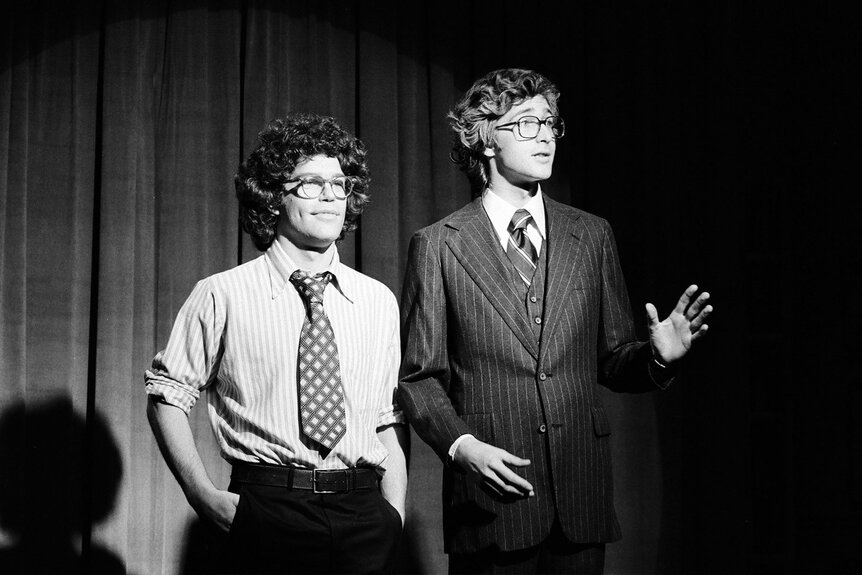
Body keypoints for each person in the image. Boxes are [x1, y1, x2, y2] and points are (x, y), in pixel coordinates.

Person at [397, 68, 713, 574]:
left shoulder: (591, 235)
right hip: (490, 500)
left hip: (580, 498)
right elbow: (420, 379)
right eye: (525, 123)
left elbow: (611, 362)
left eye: (549, 122)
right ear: (485, 139)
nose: (544, 134)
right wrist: (462, 447)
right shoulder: (438, 245)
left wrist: (656, 358)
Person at [145, 112, 407, 575]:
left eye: (339, 183)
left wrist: (394, 516)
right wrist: (203, 497)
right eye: (309, 183)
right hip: (268, 509)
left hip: (366, 516)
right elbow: (167, 398)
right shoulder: (222, 293)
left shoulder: (377, 300)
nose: (329, 196)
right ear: (271, 196)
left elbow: (383, 420)